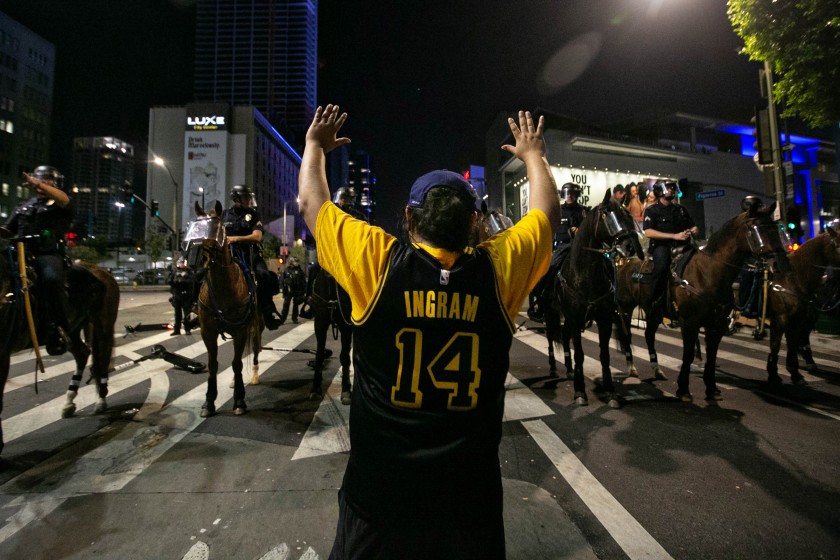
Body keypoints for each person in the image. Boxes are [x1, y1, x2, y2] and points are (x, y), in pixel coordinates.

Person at [299, 105, 558, 560]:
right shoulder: (498, 269)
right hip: (468, 499)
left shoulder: (378, 261)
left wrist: (314, 146)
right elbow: (546, 219)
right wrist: (534, 155)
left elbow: (311, 206)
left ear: (409, 219)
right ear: (475, 222)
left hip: (380, 495)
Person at [0, 165, 73, 355]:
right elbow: (8, 230)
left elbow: (64, 199)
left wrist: (37, 183)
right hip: (20, 253)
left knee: (51, 280)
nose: (42, 183)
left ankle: (60, 328)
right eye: (40, 179)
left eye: (47, 180)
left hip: (47, 253)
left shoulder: (60, 204)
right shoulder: (24, 206)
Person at [221, 184, 283, 329]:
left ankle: (268, 312)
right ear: (236, 198)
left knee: (264, 275)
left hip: (250, 254)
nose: (249, 199)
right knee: (203, 271)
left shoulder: (253, 215)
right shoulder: (224, 215)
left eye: (250, 197)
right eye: (245, 197)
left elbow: (257, 237)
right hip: (228, 253)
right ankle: (199, 308)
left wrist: (235, 238)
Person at [527, 182, 586, 321]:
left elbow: (587, 230)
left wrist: (579, 230)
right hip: (560, 247)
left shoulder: (582, 211)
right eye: (567, 193)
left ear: (576, 195)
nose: (570, 196)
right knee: (550, 268)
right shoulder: (558, 210)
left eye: (572, 193)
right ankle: (540, 302)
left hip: (577, 247)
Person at [642, 180, 699, 318]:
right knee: (661, 267)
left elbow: (694, 226)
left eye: (673, 188)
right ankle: (653, 302)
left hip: (683, 245)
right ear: (659, 191)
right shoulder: (651, 210)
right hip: (662, 246)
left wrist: (692, 231)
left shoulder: (681, 209)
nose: (671, 191)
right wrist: (674, 236)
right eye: (668, 188)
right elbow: (648, 232)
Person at [168, 257, 198, 335]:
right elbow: (170, 281)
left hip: (186, 295)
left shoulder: (189, 271)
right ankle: (177, 330)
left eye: (183, 262)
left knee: (187, 313)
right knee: (177, 314)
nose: (182, 264)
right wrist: (176, 281)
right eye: (181, 262)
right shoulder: (174, 271)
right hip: (177, 295)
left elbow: (192, 281)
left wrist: (182, 281)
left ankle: (187, 329)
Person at [279, 256, 307, 324]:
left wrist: (304, 290)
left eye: (297, 261)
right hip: (289, 290)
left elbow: (303, 281)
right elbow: (282, 280)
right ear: (291, 262)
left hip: (297, 290)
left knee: (296, 304)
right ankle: (282, 319)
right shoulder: (287, 270)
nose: (297, 263)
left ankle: (294, 318)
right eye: (295, 261)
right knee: (286, 305)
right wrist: (283, 288)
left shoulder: (300, 270)